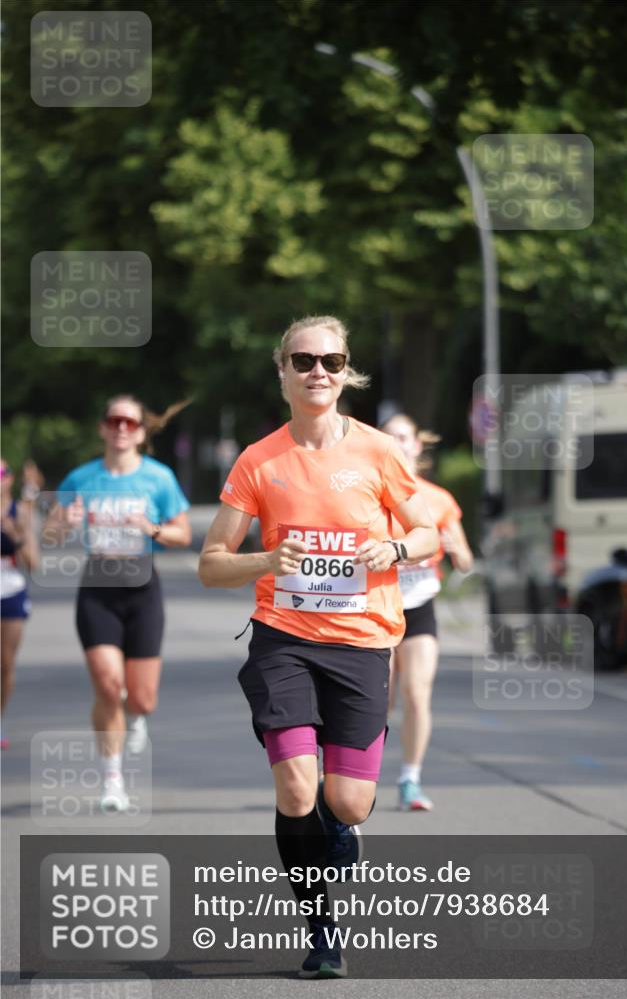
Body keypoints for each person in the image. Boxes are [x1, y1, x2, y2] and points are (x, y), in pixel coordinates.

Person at [199, 316, 438, 979]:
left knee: (348, 803)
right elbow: (211, 563)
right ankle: (320, 929)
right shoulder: (259, 460)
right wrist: (267, 560)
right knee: (298, 790)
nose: (317, 372)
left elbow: (428, 535)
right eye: (303, 360)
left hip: (362, 645)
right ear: (281, 371)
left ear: (346, 370)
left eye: (330, 361)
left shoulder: (376, 451)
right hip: (283, 641)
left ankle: (343, 819)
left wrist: (391, 547)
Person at [43, 396, 191, 811]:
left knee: (142, 698)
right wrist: (64, 525)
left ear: (142, 431)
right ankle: (112, 780)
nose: (122, 427)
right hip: (98, 586)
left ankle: (137, 716)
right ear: (102, 427)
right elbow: (50, 534)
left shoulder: (158, 478)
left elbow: (181, 535)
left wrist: (152, 528)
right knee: (108, 684)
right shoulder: (81, 478)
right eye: (114, 420)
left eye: (130, 421)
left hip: (143, 588)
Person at [381, 413, 474, 812]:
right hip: (376, 610)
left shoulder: (438, 499)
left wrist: (457, 550)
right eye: (389, 437)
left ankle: (409, 779)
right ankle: (349, 778)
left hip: (419, 607)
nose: (398, 443)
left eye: (404, 437)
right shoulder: (369, 495)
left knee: (416, 694)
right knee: (376, 701)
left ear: (418, 445)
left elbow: (467, 561)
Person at [1, 459, 40, 748]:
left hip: (10, 590)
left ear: (9, 478)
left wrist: (14, 534)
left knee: (4, 664)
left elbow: (33, 562)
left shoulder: (19, 513)